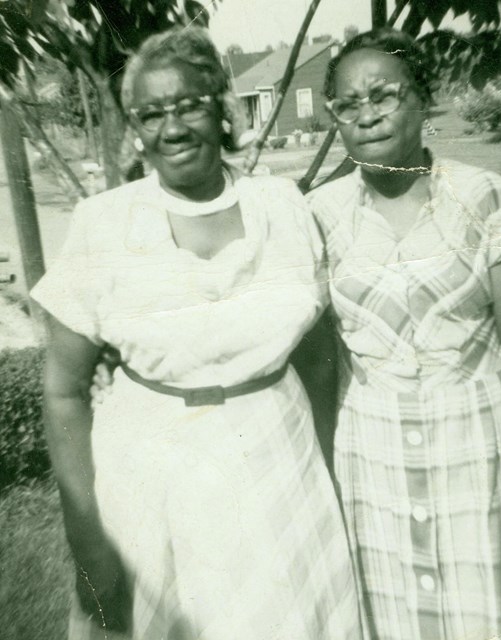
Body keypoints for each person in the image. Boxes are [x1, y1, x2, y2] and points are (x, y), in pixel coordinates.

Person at [31, 27, 363, 640]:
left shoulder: (283, 206)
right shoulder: (103, 224)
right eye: (151, 113)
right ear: (134, 126)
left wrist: (323, 477)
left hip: (277, 467)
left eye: (189, 105)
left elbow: (317, 358)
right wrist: (89, 542)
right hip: (149, 470)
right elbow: (63, 392)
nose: (173, 128)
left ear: (221, 107)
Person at [307, 28, 501, 639]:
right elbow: (321, 361)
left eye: (384, 95)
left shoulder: (486, 199)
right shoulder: (320, 217)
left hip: (481, 459)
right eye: (348, 105)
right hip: (371, 468)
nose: (368, 115)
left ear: (421, 98)